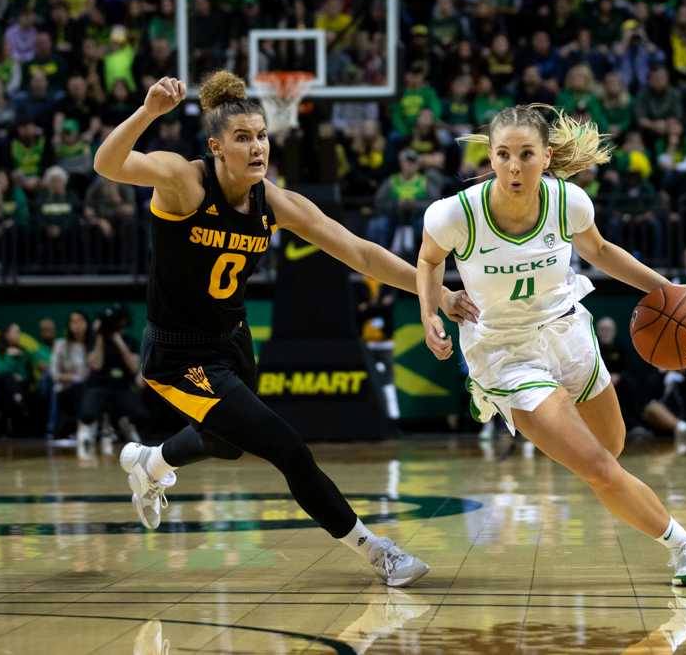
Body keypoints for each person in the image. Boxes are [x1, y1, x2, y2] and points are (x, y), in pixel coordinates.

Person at [94, 72, 477, 587]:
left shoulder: (271, 202)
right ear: (216, 147)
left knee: (227, 442)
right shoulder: (185, 181)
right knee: (286, 446)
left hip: (231, 341)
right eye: (243, 138)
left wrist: (440, 293)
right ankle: (376, 550)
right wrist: (148, 113)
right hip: (180, 356)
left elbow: (359, 252)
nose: (257, 148)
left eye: (262, 136)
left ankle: (151, 462)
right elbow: (108, 164)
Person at [416, 104, 686, 587]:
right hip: (506, 350)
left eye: (526, 154)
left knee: (609, 449)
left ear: (546, 155)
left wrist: (668, 289)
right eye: (504, 155)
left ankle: (539, 426)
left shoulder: (568, 202)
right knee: (597, 468)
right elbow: (429, 262)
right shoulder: (456, 214)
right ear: (490, 159)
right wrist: (429, 313)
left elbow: (599, 251)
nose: (515, 167)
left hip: (566, 331)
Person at [80, 303, 144, 454]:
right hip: (98, 386)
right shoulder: (95, 342)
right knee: (87, 413)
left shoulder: (130, 342)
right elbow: (96, 364)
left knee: (140, 415)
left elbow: (134, 368)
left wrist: (117, 339)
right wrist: (100, 337)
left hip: (122, 387)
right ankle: (89, 434)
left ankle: (125, 426)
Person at [49, 310, 91, 442]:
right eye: (73, 322)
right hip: (67, 389)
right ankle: (80, 429)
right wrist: (75, 378)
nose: (77, 325)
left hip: (91, 389)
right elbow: (54, 374)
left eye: (80, 321)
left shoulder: (93, 344)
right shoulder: (60, 344)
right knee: (79, 388)